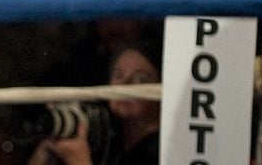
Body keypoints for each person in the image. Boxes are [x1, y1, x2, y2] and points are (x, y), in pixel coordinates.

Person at [27, 39, 162, 165]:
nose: (124, 86)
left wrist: (78, 160)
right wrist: (45, 151)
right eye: (118, 76)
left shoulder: (162, 149)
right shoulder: (106, 140)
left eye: (140, 79)